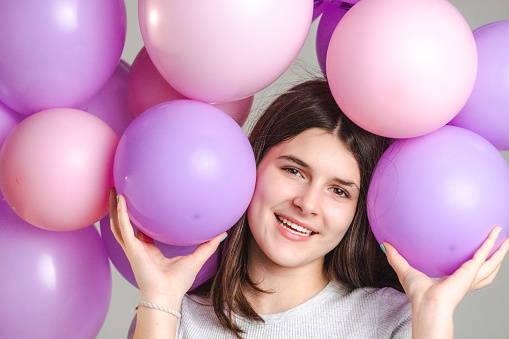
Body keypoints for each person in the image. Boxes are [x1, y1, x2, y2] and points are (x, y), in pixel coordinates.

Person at [110, 79, 509, 339]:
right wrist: (160, 297)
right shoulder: (173, 317)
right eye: (293, 171)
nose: (307, 203)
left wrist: (435, 313)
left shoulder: (399, 322)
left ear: (360, 210)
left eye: (338, 191)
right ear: (250, 166)